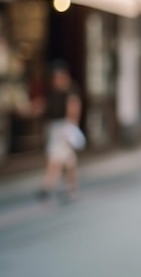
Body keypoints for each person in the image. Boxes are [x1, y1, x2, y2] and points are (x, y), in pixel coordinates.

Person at [35, 60, 85, 202]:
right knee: (68, 159)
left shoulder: (71, 89)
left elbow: (74, 108)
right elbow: (45, 105)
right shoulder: (51, 90)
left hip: (64, 127)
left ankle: (48, 186)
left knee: (55, 157)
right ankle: (70, 187)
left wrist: (70, 127)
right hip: (54, 126)